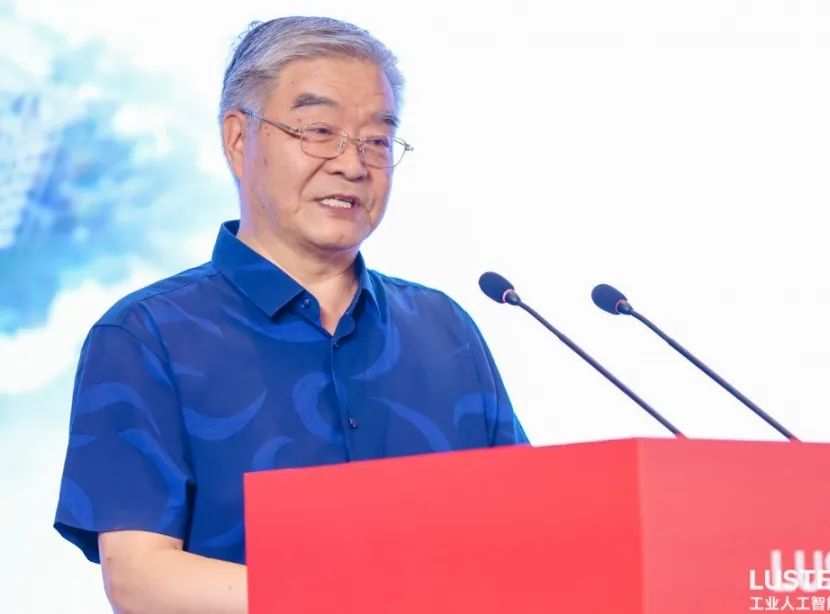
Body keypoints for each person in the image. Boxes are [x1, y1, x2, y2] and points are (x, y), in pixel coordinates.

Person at [54, 16, 527, 613]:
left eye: (377, 141)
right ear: (238, 140)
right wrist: (361, 600)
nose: (353, 165)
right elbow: (140, 579)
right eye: (320, 131)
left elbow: (527, 530)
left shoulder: (444, 329)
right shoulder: (147, 336)